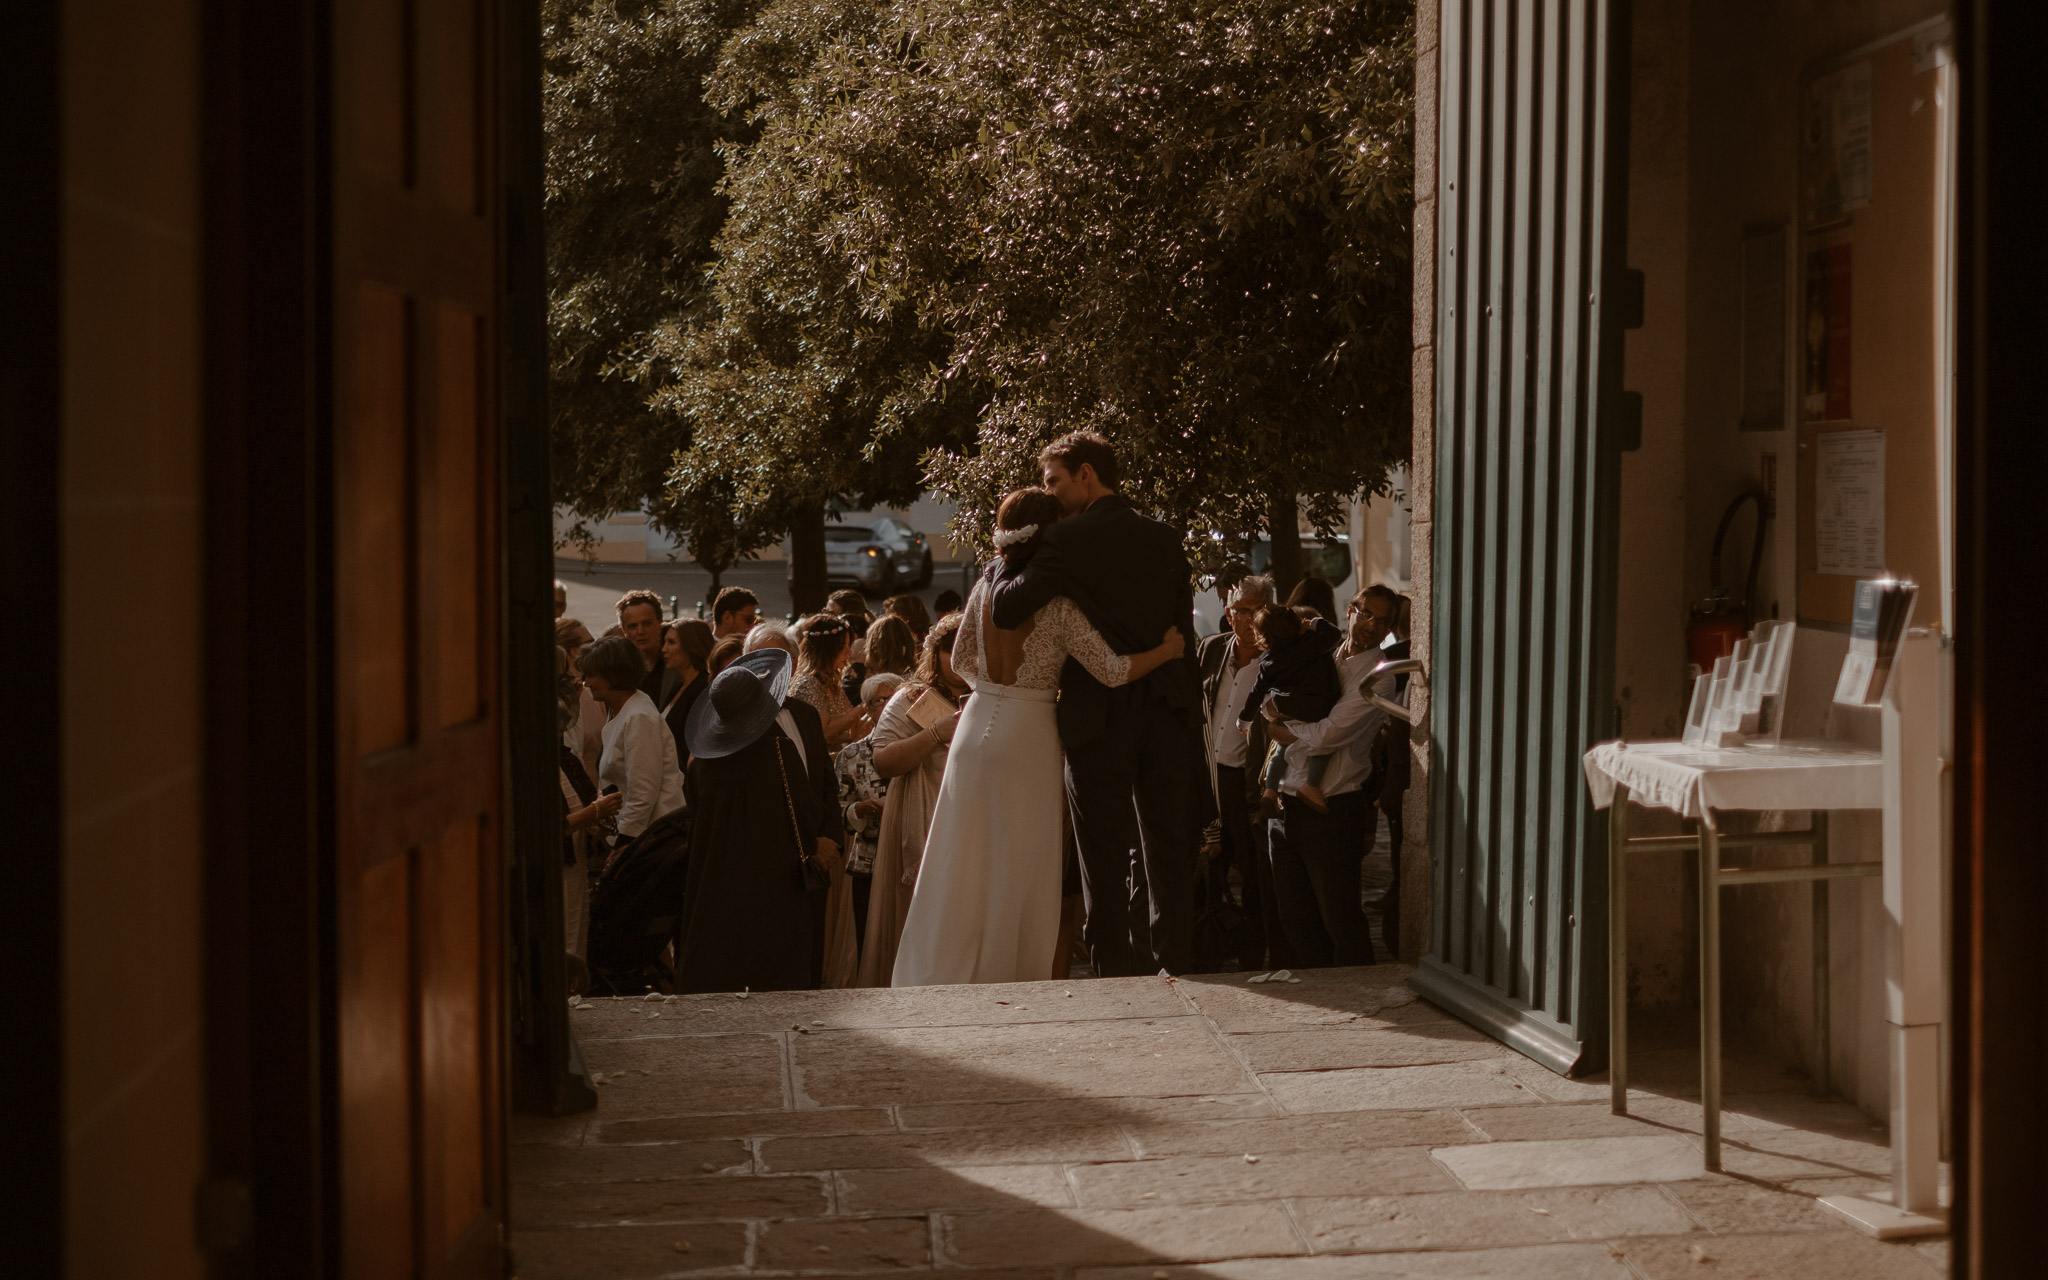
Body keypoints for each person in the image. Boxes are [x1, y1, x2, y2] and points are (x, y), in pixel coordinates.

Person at [892, 489, 1184, 987]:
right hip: (1027, 733)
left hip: (974, 724)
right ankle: (1007, 971)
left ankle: (939, 966)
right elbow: (1112, 670)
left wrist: (992, 686)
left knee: (961, 856)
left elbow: (961, 662)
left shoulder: (985, 587)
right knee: (1019, 857)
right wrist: (1167, 651)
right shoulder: (1059, 603)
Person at [988, 431, 1201, 977]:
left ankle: (1112, 971)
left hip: (1097, 716)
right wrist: (1184, 710)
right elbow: (1184, 636)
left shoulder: (1066, 540)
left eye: (1054, 481)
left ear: (1087, 473)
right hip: (1164, 709)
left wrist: (1007, 557)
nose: (1050, 493)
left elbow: (1008, 610)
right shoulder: (1165, 537)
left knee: (1101, 856)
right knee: (1167, 847)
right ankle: (1173, 962)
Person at [675, 650, 843, 993]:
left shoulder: (701, 767)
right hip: (773, 891)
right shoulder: (780, 752)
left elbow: (694, 819)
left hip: (714, 891)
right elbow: (806, 814)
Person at [1260, 585, 1402, 967]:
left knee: (1341, 923)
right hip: (1287, 802)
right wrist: (1276, 714)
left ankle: (1361, 1002)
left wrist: (1283, 729)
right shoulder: (1321, 652)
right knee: (1295, 921)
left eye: (1384, 620)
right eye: (1367, 613)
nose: (1373, 625)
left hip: (1334, 810)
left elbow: (1328, 735)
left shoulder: (1379, 677)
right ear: (1350, 609)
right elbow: (1270, 692)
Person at [857, 614, 967, 986]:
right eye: (951, 651)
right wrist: (936, 732)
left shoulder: (990, 695)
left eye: (969, 650)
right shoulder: (911, 696)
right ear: (935, 653)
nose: (962, 659)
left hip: (971, 821)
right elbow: (883, 760)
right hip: (925, 821)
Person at [1196, 574, 1292, 972]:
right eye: (1238, 609)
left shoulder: (1278, 658)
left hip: (1247, 782)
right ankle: (1205, 950)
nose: (1244, 618)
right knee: (1205, 870)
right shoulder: (1211, 649)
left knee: (1254, 875)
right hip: (1208, 776)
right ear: (1226, 611)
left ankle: (1254, 957)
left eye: (1253, 610)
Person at [575, 636, 686, 856]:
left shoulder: (639, 717)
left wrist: (623, 845)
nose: (586, 682)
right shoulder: (620, 710)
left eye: (592, 675)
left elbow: (642, 794)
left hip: (650, 844)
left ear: (613, 675)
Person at [557, 647, 622, 990]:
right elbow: (548, 826)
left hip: (576, 864)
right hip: (558, 870)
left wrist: (595, 818)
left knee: (575, 934)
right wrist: (595, 812)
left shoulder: (562, 756)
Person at [1239, 603, 1345, 813]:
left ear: (1263, 637)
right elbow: (1333, 634)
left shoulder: (1269, 662)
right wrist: (1313, 623)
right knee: (1324, 745)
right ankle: (1311, 786)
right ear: (1298, 625)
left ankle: (1270, 789)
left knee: (1281, 745)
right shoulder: (1313, 642)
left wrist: (1244, 719)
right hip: (1319, 706)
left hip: (1290, 707)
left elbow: (1256, 693)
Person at [835, 672, 904, 950]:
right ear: (866, 707)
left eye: (894, 699)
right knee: (871, 943)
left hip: (912, 859)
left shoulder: (927, 747)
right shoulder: (850, 756)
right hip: (868, 862)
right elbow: (837, 810)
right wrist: (859, 809)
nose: (888, 705)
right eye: (879, 701)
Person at [790, 615, 868, 749]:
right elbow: (824, 733)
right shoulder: (808, 683)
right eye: (843, 647)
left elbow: (847, 728)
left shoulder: (831, 681)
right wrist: (864, 706)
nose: (849, 653)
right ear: (826, 649)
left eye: (849, 646)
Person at [556, 616, 605, 781]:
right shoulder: (586, 695)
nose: (594, 647)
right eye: (590, 642)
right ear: (574, 651)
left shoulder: (592, 694)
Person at [659, 619, 714, 762]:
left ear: (691, 646)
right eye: (665, 642)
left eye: (671, 643)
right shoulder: (679, 686)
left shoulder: (702, 690)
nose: (663, 649)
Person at [616, 588, 675, 705]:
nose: (640, 632)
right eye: (633, 626)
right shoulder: (620, 671)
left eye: (647, 624)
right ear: (624, 630)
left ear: (660, 622)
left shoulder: (677, 663)